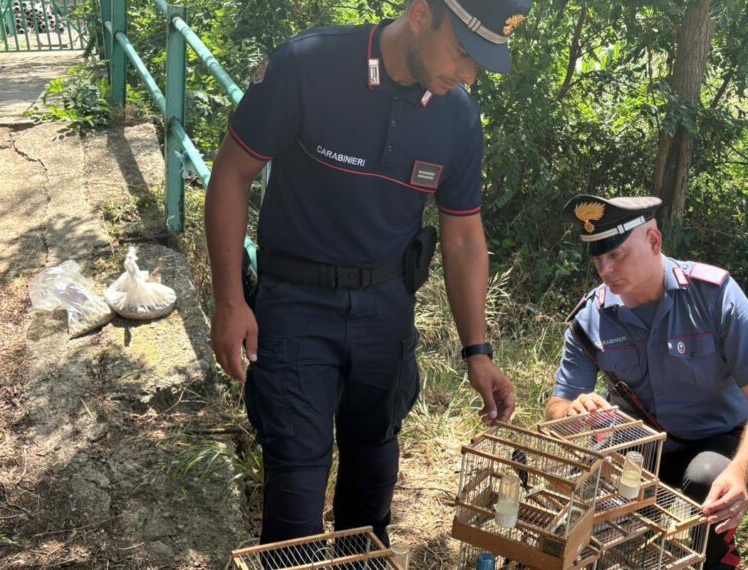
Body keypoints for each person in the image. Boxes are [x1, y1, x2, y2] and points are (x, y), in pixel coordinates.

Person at [204, 0, 532, 546]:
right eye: (463, 52)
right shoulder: (308, 65)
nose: (469, 74)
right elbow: (231, 175)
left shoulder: (458, 118)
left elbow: (463, 235)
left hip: (387, 308)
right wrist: (229, 300)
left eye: (482, 62)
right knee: (295, 493)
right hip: (295, 304)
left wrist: (478, 351)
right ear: (422, 14)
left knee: (373, 482)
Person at [545, 194, 748, 570]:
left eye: (618, 255)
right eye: (598, 259)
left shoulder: (713, 295)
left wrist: (739, 471)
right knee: (591, 496)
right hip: (634, 444)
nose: (606, 270)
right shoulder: (590, 318)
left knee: (709, 479)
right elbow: (557, 406)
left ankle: (714, 558)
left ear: (654, 241)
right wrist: (573, 410)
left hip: (710, 439)